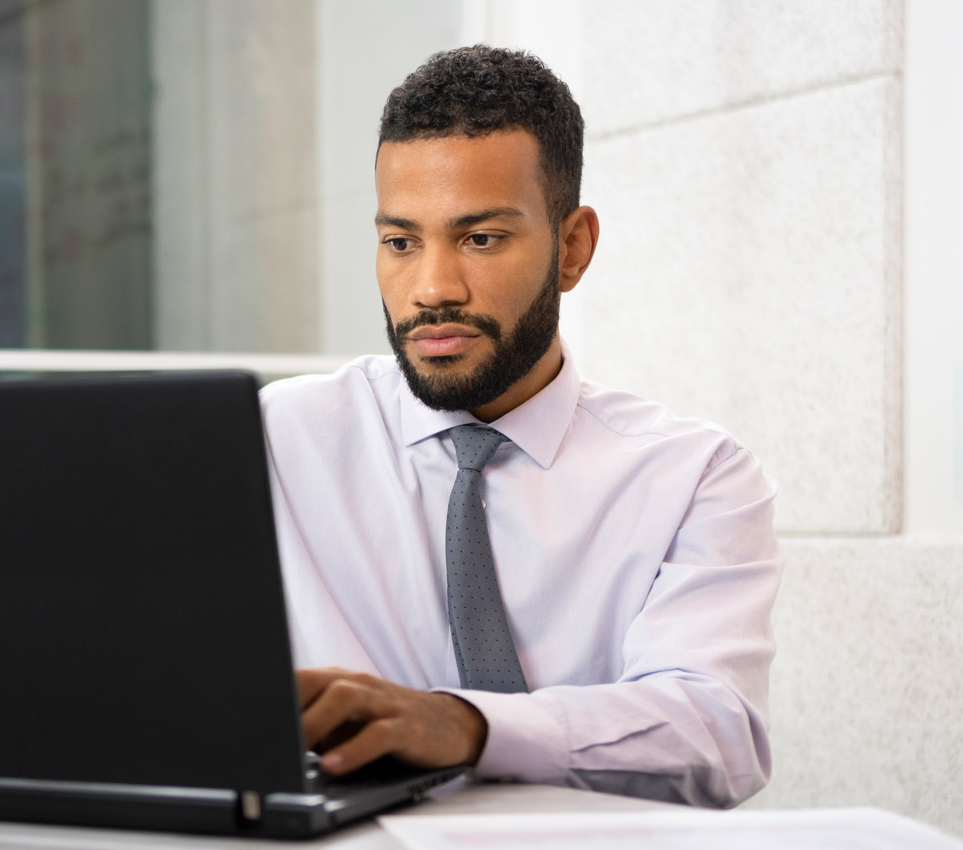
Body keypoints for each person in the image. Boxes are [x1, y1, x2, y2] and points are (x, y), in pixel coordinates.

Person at [261, 46, 780, 808]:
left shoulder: (694, 476)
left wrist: (466, 726)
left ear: (571, 249)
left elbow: (716, 731)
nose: (432, 288)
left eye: (480, 239)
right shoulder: (271, 443)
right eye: (400, 242)